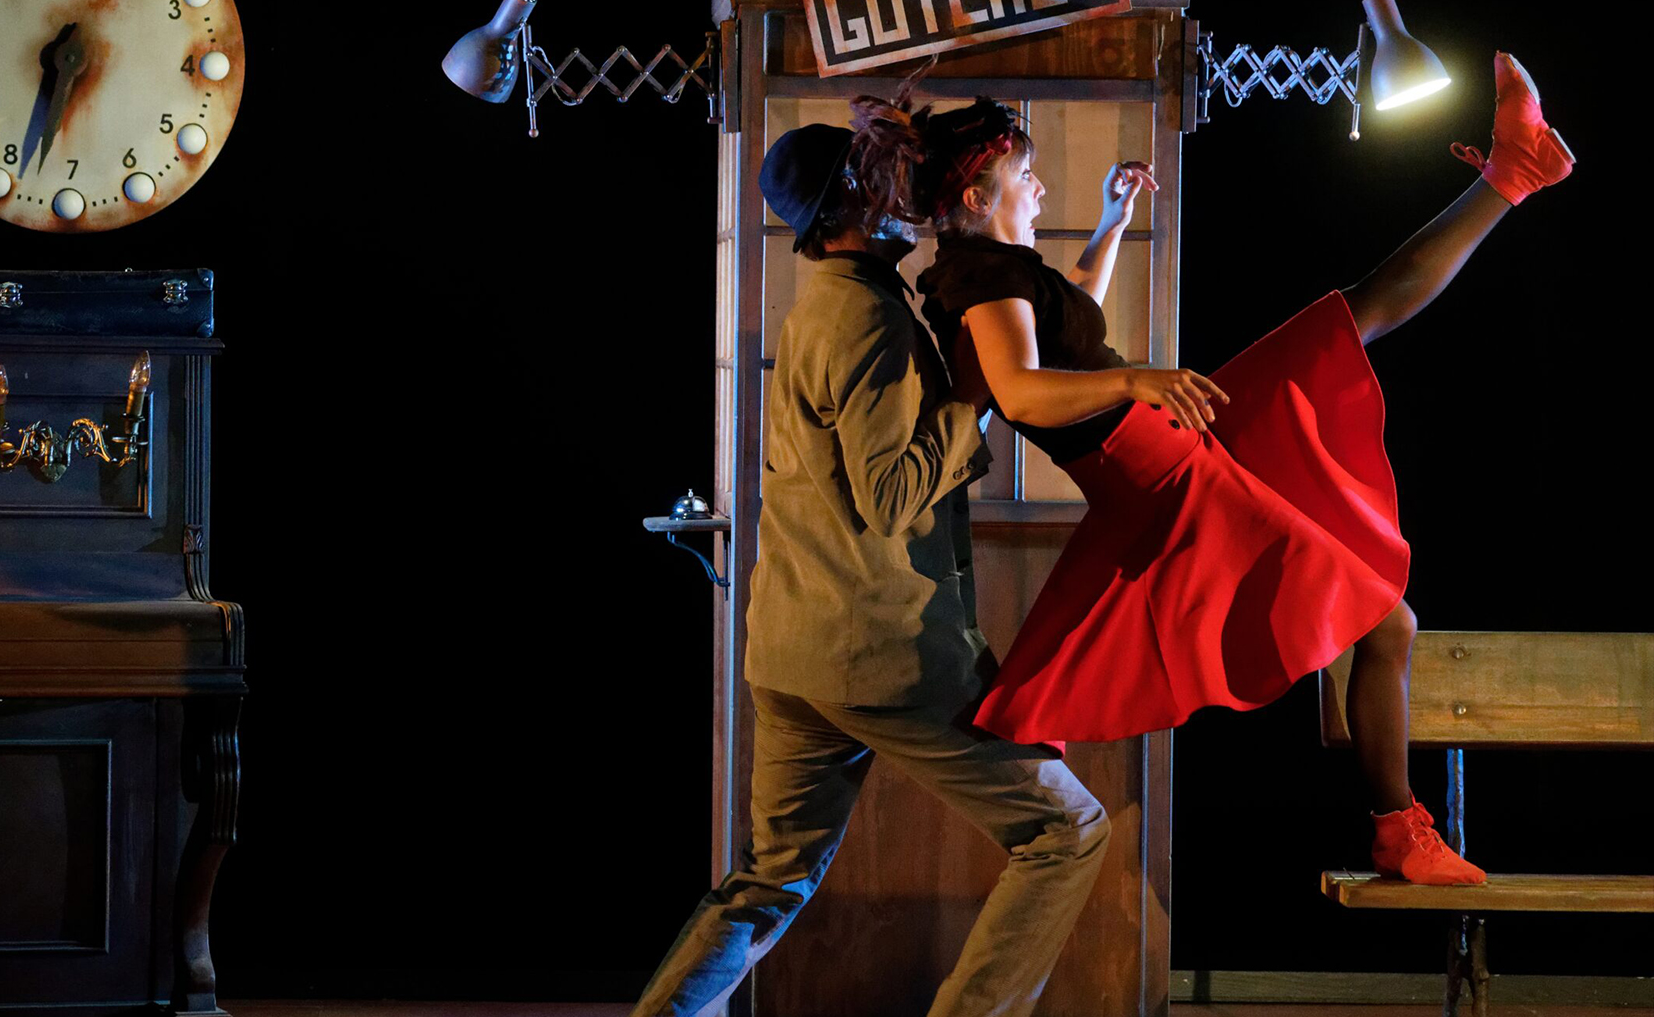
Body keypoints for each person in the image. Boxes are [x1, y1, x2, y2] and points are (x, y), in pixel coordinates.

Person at [893, 52, 1572, 886]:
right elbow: (1021, 391)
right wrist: (1136, 380)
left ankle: (1514, 172)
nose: (1037, 188)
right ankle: (1399, 831)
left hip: (1183, 443)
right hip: (1173, 481)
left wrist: (1111, 222)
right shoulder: (983, 279)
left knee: (1343, 322)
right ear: (976, 199)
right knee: (1388, 623)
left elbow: (1069, 314)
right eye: (1024, 176)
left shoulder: (1003, 273)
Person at [631, 105, 1111, 1017]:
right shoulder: (863, 318)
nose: (903, 189)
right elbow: (890, 496)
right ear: (851, 203)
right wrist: (972, 397)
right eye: (879, 177)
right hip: (877, 661)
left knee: (768, 882)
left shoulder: (832, 304)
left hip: (794, 659)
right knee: (1067, 830)